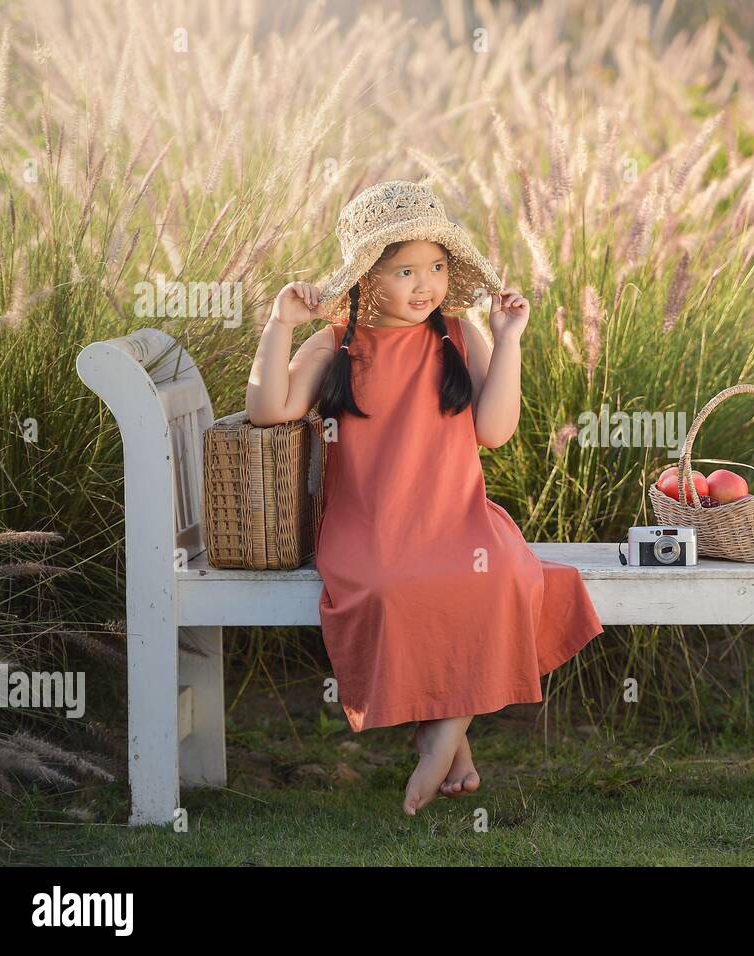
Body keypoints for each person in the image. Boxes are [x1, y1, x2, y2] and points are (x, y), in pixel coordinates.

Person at [246, 179, 604, 814]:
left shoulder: (460, 339)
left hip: (455, 517)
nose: (426, 284)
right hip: (371, 524)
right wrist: (279, 323)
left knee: (500, 579)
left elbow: (494, 430)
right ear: (364, 278)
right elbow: (269, 409)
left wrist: (508, 336)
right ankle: (449, 737)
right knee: (387, 587)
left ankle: (442, 737)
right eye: (405, 269)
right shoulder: (335, 343)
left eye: (437, 267)